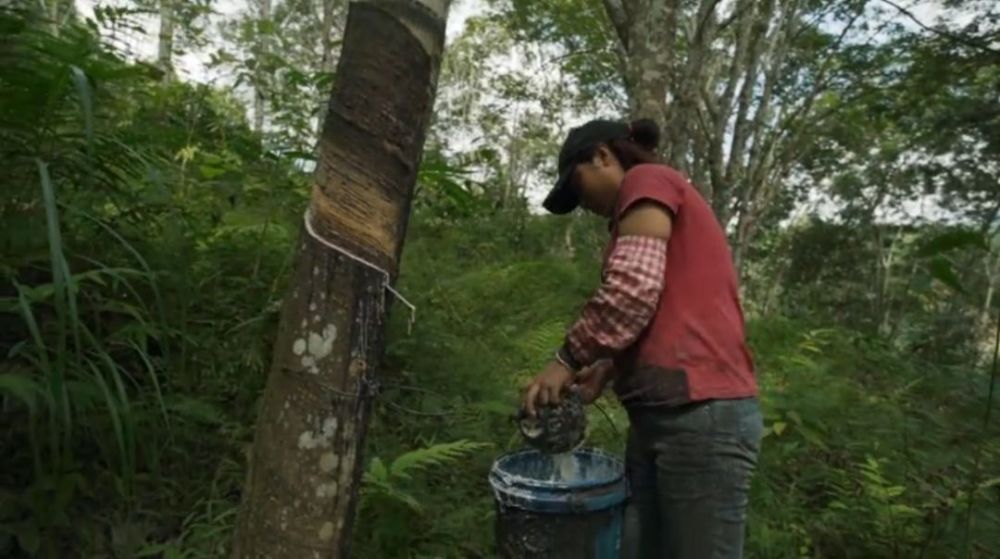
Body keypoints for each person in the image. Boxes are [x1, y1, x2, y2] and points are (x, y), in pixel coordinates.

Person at [521, 118, 763, 558]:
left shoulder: (647, 180)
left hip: (700, 415)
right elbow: (666, 305)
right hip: (660, 418)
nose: (581, 202)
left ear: (602, 156)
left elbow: (632, 289)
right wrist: (608, 368)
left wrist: (566, 358)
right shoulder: (638, 211)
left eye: (576, 186)